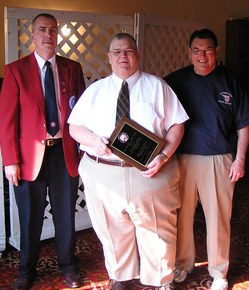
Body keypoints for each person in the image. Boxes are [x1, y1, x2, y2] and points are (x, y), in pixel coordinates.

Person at [68, 32, 189, 290]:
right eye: (117, 52)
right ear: (109, 58)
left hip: (150, 172)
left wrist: (164, 155)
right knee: (112, 230)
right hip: (104, 172)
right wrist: (92, 141)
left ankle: (160, 279)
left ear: (137, 55)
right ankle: (121, 277)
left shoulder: (158, 87)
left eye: (128, 51)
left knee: (157, 231)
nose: (123, 56)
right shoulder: (95, 90)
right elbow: (74, 127)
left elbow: (177, 125)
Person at [0, 13, 86, 290]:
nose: (48, 35)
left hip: (64, 153)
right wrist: (10, 161)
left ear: (57, 34)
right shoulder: (15, 70)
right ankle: (26, 271)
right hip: (28, 159)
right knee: (30, 217)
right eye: (42, 30)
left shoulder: (72, 68)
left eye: (52, 30)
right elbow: (7, 120)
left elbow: (82, 113)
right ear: (32, 35)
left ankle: (68, 265)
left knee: (65, 215)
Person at [164, 28, 249, 290]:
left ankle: (219, 272)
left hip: (220, 159)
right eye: (197, 51)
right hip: (182, 159)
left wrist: (240, 159)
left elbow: (243, 126)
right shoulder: (175, 81)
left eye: (208, 50)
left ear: (217, 51)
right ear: (189, 52)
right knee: (181, 216)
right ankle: (183, 263)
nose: (203, 56)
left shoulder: (232, 82)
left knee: (218, 219)